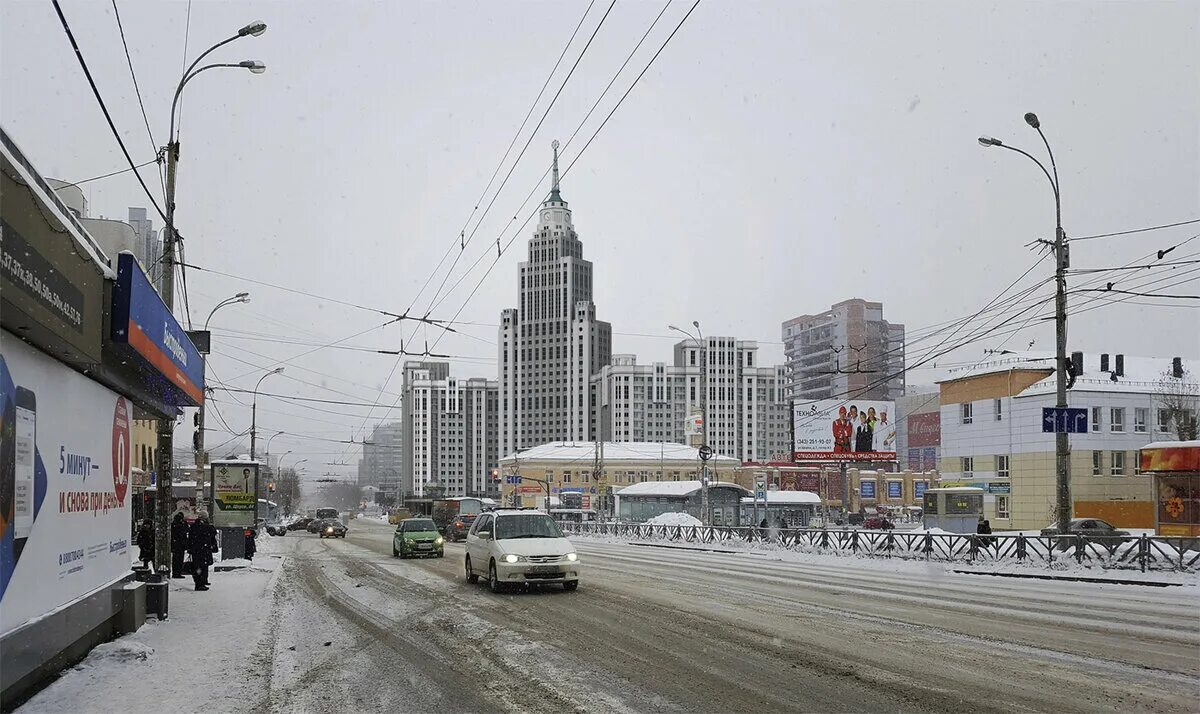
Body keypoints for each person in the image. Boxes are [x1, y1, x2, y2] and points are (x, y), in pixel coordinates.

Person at [187, 514, 219, 591]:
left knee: (197, 567)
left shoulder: (194, 526)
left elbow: (190, 538)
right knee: (203, 566)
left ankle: (199, 583)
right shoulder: (207, 527)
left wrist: (190, 548)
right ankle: (201, 583)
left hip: (196, 550)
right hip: (204, 550)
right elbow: (213, 532)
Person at [170, 512, 189, 578]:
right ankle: (177, 572)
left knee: (176, 560)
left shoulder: (174, 525)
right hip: (180, 545)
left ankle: (176, 572)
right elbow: (185, 531)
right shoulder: (181, 525)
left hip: (176, 545)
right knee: (179, 559)